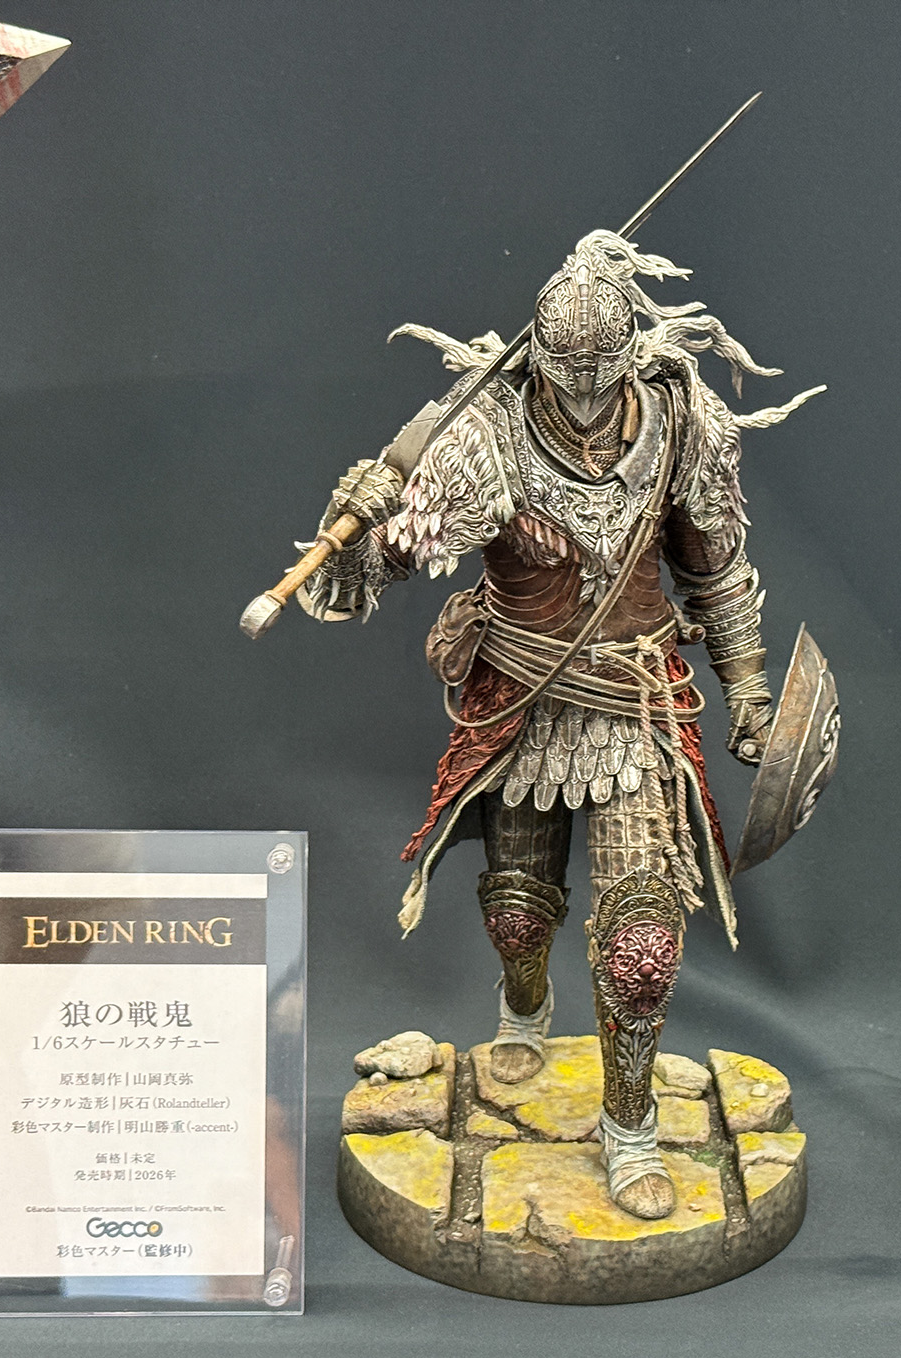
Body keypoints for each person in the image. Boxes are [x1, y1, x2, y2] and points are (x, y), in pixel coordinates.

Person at [298, 231, 819, 1218]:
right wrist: (353, 522)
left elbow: (715, 567)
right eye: (561, 372)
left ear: (629, 354)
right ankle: (524, 1002)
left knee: (642, 946)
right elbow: (373, 572)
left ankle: (629, 1129)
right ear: (535, 353)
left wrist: (748, 688)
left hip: (636, 704)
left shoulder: (680, 419)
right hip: (523, 705)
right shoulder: (484, 433)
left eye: (599, 373)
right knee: (518, 916)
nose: (580, 397)